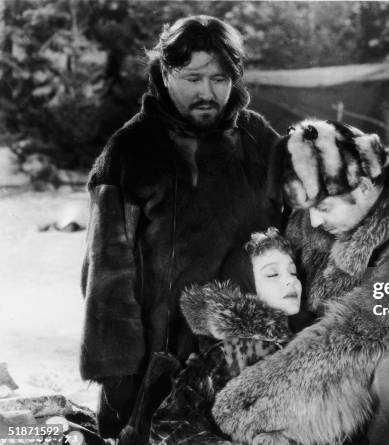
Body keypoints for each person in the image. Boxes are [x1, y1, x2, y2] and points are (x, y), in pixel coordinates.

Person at [212, 120, 389, 445]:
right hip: (326, 374)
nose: (313, 221)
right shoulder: (325, 205)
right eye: (307, 209)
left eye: (323, 208)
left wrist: (254, 401)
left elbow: (362, 339)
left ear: (365, 187)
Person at [79, 15, 282, 441]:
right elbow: (106, 276)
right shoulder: (130, 150)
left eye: (220, 78)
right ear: (166, 72)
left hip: (255, 352)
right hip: (163, 364)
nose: (208, 93)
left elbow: (303, 227)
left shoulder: (256, 137)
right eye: (193, 78)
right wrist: (119, 376)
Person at [150, 227, 302, 444]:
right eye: (272, 274)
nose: (290, 281)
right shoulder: (234, 351)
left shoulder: (298, 342)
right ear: (245, 285)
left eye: (293, 272)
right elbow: (167, 423)